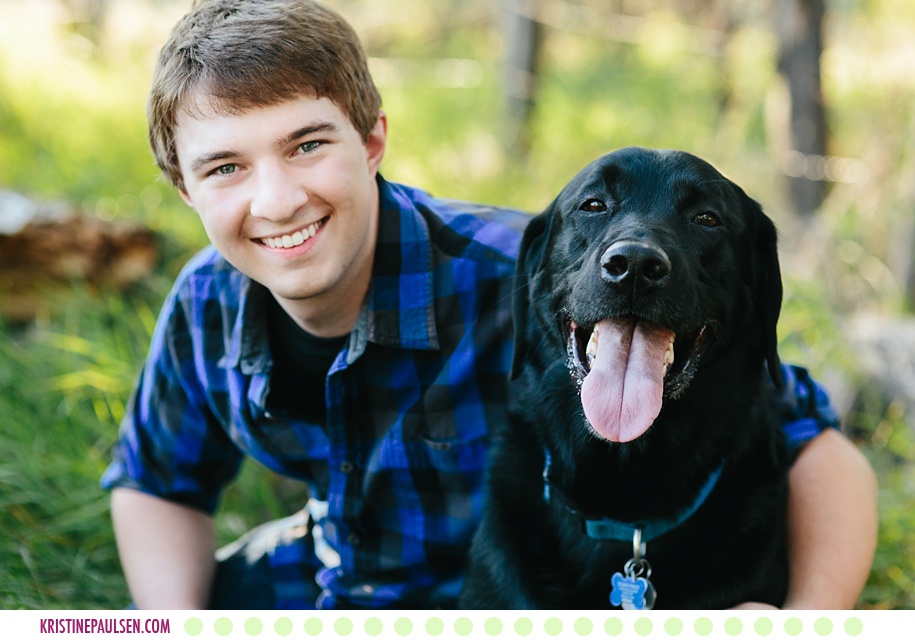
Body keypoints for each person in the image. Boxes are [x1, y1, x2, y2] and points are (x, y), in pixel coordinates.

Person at [101, 0, 877, 610]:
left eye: (307, 145)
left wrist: (805, 616)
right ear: (185, 188)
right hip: (331, 573)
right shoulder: (205, 302)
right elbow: (156, 480)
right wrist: (175, 620)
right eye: (226, 166)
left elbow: (811, 440)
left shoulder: (531, 275)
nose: (275, 200)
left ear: (371, 142)